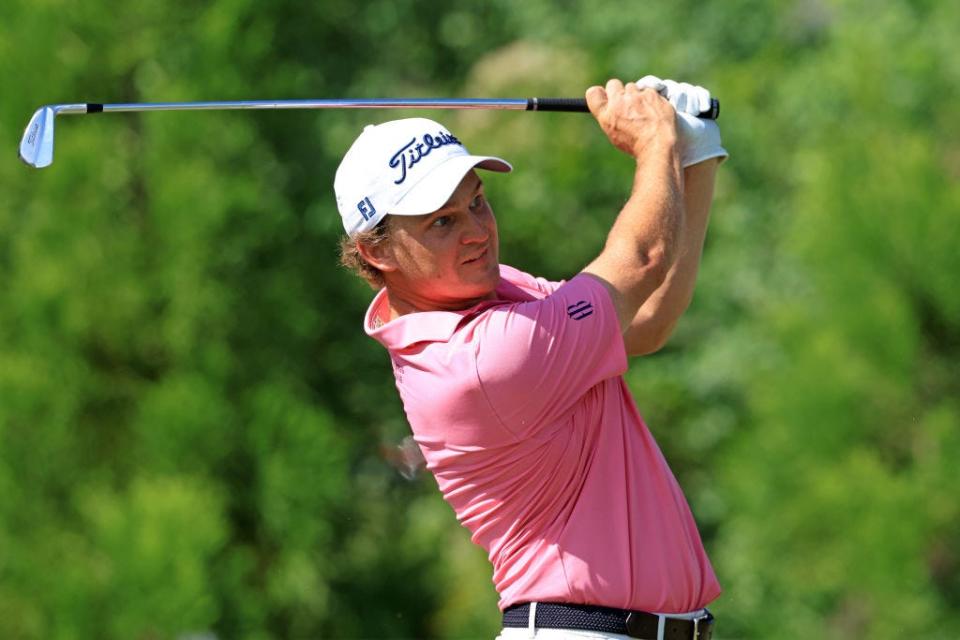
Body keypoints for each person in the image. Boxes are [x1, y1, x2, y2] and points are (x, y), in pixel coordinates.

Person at [334, 75, 728, 640]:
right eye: (442, 222)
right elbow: (643, 258)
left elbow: (645, 321)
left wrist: (696, 153)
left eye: (477, 202)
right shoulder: (479, 363)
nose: (478, 233)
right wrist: (655, 141)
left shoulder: (491, 294)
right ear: (377, 250)